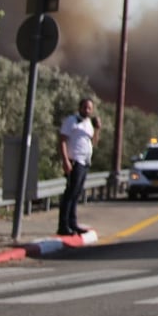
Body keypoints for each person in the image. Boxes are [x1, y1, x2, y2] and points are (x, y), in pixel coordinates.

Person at [58, 97, 100, 236]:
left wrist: (98, 128)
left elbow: (94, 143)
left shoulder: (89, 123)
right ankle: (63, 225)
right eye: (85, 107)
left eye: (89, 108)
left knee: (76, 194)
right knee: (70, 193)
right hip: (74, 160)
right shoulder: (72, 121)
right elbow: (62, 140)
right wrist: (65, 160)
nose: (87, 110)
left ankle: (73, 223)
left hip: (85, 162)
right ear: (80, 108)